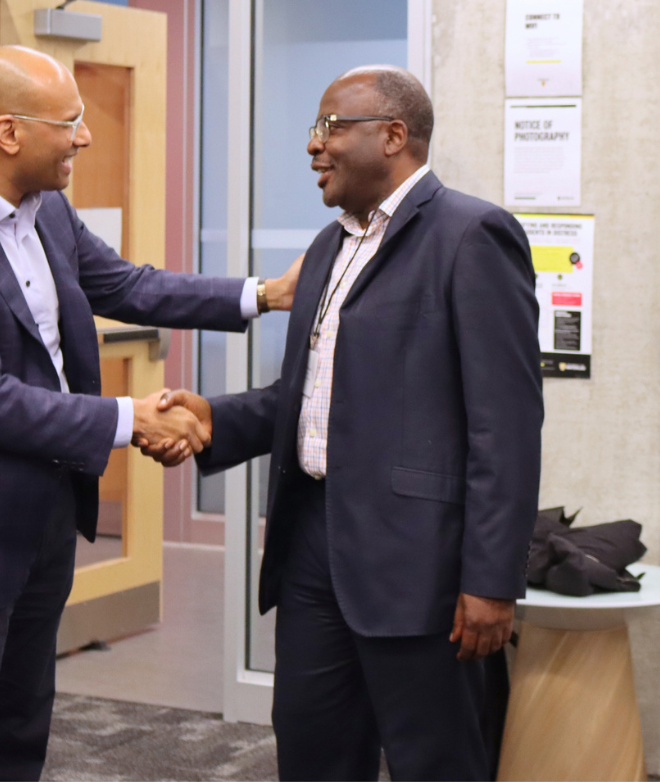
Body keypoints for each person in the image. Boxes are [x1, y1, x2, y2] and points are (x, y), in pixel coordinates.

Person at [0, 45, 301, 781]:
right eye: (69, 122)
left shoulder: (47, 212)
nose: (84, 136)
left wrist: (261, 295)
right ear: (8, 132)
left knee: (18, 734)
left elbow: (131, 286)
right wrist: (132, 419)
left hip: (41, 520)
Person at [146, 66, 542, 781]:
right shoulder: (328, 247)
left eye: (331, 128)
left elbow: (505, 428)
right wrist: (214, 418)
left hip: (419, 566)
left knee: (436, 761)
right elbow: (306, 395)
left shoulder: (472, 236)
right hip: (312, 549)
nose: (313, 147)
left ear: (393, 136)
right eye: (314, 130)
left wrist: (492, 582)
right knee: (312, 749)